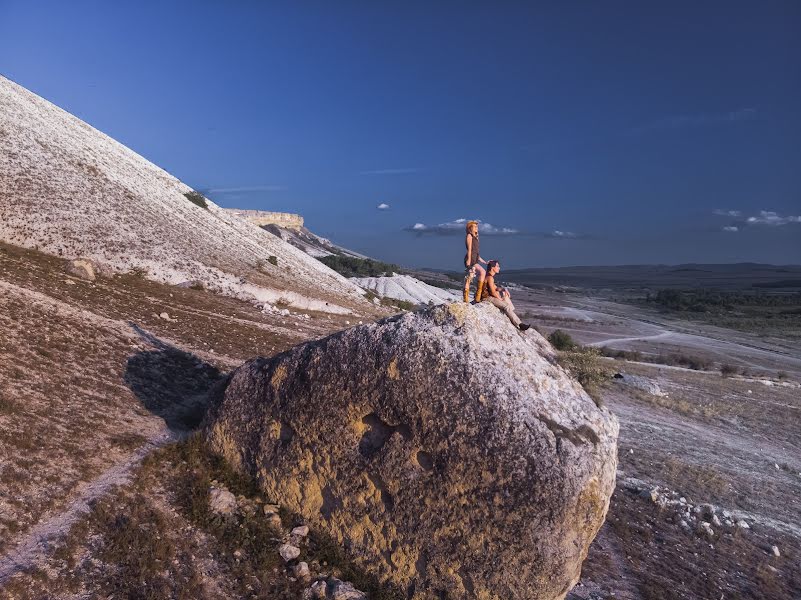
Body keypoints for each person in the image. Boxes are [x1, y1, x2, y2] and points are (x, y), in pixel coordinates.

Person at [479, 260, 531, 331]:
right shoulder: (490, 278)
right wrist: (500, 299)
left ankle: (510, 313)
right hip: (486, 298)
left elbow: (495, 288)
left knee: (505, 296)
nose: (499, 268)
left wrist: (504, 289)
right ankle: (520, 324)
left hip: (489, 297)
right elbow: (493, 292)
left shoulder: (489, 277)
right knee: (506, 306)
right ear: (492, 268)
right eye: (497, 266)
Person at [463, 220, 487, 303]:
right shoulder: (469, 236)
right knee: (470, 277)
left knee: (471, 277)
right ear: (470, 228)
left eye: (477, 226)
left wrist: (483, 261)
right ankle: (468, 299)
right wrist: (468, 262)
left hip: (475, 259)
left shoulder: (476, 238)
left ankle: (477, 297)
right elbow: (469, 250)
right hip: (470, 259)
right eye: (475, 226)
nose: (477, 228)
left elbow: (476, 252)